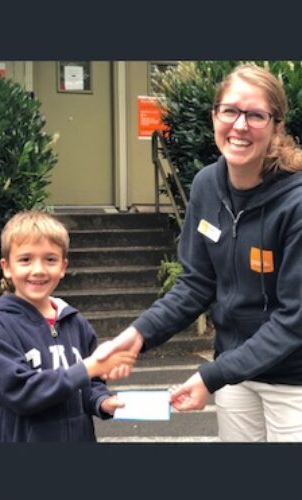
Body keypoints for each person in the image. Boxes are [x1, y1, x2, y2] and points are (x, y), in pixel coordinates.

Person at [98, 64, 302, 442]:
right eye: (230, 111)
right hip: (235, 375)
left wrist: (210, 376)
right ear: (214, 116)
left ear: (276, 125)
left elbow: (294, 320)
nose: (240, 126)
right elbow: (196, 284)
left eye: (255, 115)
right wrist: (138, 334)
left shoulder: (296, 202)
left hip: (294, 383)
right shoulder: (208, 184)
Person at [0, 210, 136, 442]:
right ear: (7, 267)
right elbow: (21, 391)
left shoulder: (75, 322)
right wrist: (89, 367)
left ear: (63, 266)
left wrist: (103, 402)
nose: (38, 269)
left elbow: (92, 384)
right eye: (25, 259)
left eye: (50, 259)